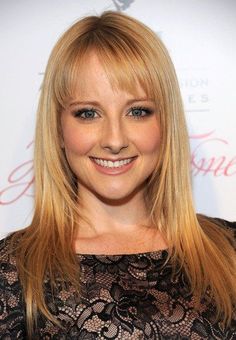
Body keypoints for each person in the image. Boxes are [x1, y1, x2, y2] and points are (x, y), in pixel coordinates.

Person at [0, 11, 235, 339]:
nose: (114, 140)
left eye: (138, 111)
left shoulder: (229, 251)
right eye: (88, 113)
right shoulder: (13, 273)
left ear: (165, 123)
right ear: (57, 129)